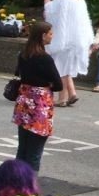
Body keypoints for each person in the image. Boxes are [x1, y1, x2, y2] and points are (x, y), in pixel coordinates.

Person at [12, 22, 62, 172]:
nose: (52, 36)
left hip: (24, 104)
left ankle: (17, 184)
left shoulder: (24, 54)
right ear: (43, 36)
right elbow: (58, 84)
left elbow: (19, 74)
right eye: (50, 33)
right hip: (39, 107)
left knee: (23, 149)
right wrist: (47, 83)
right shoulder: (45, 58)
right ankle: (29, 189)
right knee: (35, 152)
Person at [43, 0, 94, 106]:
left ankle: (67, 96)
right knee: (66, 69)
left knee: (60, 69)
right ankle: (67, 96)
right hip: (76, 42)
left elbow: (48, 12)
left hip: (63, 41)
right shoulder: (80, 0)